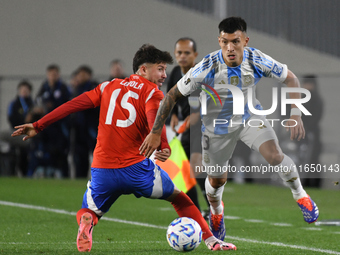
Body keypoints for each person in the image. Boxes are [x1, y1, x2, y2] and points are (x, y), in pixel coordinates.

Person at [12, 44, 237, 252]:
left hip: (102, 170)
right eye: (160, 69)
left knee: (87, 210)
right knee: (181, 199)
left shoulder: (108, 86)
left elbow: (72, 105)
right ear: (143, 69)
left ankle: (87, 223)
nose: (164, 75)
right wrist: (162, 143)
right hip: (138, 171)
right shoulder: (152, 92)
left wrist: (38, 125)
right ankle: (212, 241)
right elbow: (154, 121)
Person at [140, 17, 319, 241]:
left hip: (249, 118)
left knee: (275, 155)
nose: (230, 48)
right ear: (219, 41)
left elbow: (291, 79)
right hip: (216, 128)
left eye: (235, 41)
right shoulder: (207, 66)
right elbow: (172, 96)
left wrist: (296, 114)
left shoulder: (256, 58)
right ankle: (216, 213)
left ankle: (301, 195)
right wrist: (156, 132)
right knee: (216, 182)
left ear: (245, 40)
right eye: (224, 42)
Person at [167, 37, 210, 215]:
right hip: (188, 126)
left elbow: (204, 107)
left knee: (195, 165)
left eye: (187, 53)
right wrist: (174, 115)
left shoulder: (203, 75)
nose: (182, 56)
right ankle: (197, 211)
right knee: (185, 170)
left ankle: (214, 207)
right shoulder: (176, 72)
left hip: (205, 126)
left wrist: (188, 121)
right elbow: (171, 97)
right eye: (179, 53)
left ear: (195, 55)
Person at [35, 64, 71, 177]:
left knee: (60, 151)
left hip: (60, 126)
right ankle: (47, 172)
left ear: (58, 75)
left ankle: (63, 174)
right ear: (47, 75)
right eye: (51, 74)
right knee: (46, 149)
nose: (53, 76)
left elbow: (68, 104)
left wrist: (53, 106)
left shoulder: (63, 88)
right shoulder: (44, 87)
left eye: (55, 74)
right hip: (47, 126)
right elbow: (37, 101)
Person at [71, 65, 99, 178]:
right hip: (79, 128)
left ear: (89, 75)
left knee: (96, 153)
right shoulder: (76, 89)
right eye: (79, 75)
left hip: (91, 126)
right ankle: (80, 177)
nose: (80, 77)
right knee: (79, 155)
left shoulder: (94, 87)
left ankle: (98, 177)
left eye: (83, 74)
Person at [7, 80, 34, 176]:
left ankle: (26, 173)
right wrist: (24, 120)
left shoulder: (33, 104)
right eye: (22, 90)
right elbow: (11, 118)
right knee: (14, 154)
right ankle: (12, 173)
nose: (24, 92)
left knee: (26, 155)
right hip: (17, 132)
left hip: (30, 134)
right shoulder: (14, 104)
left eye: (26, 90)